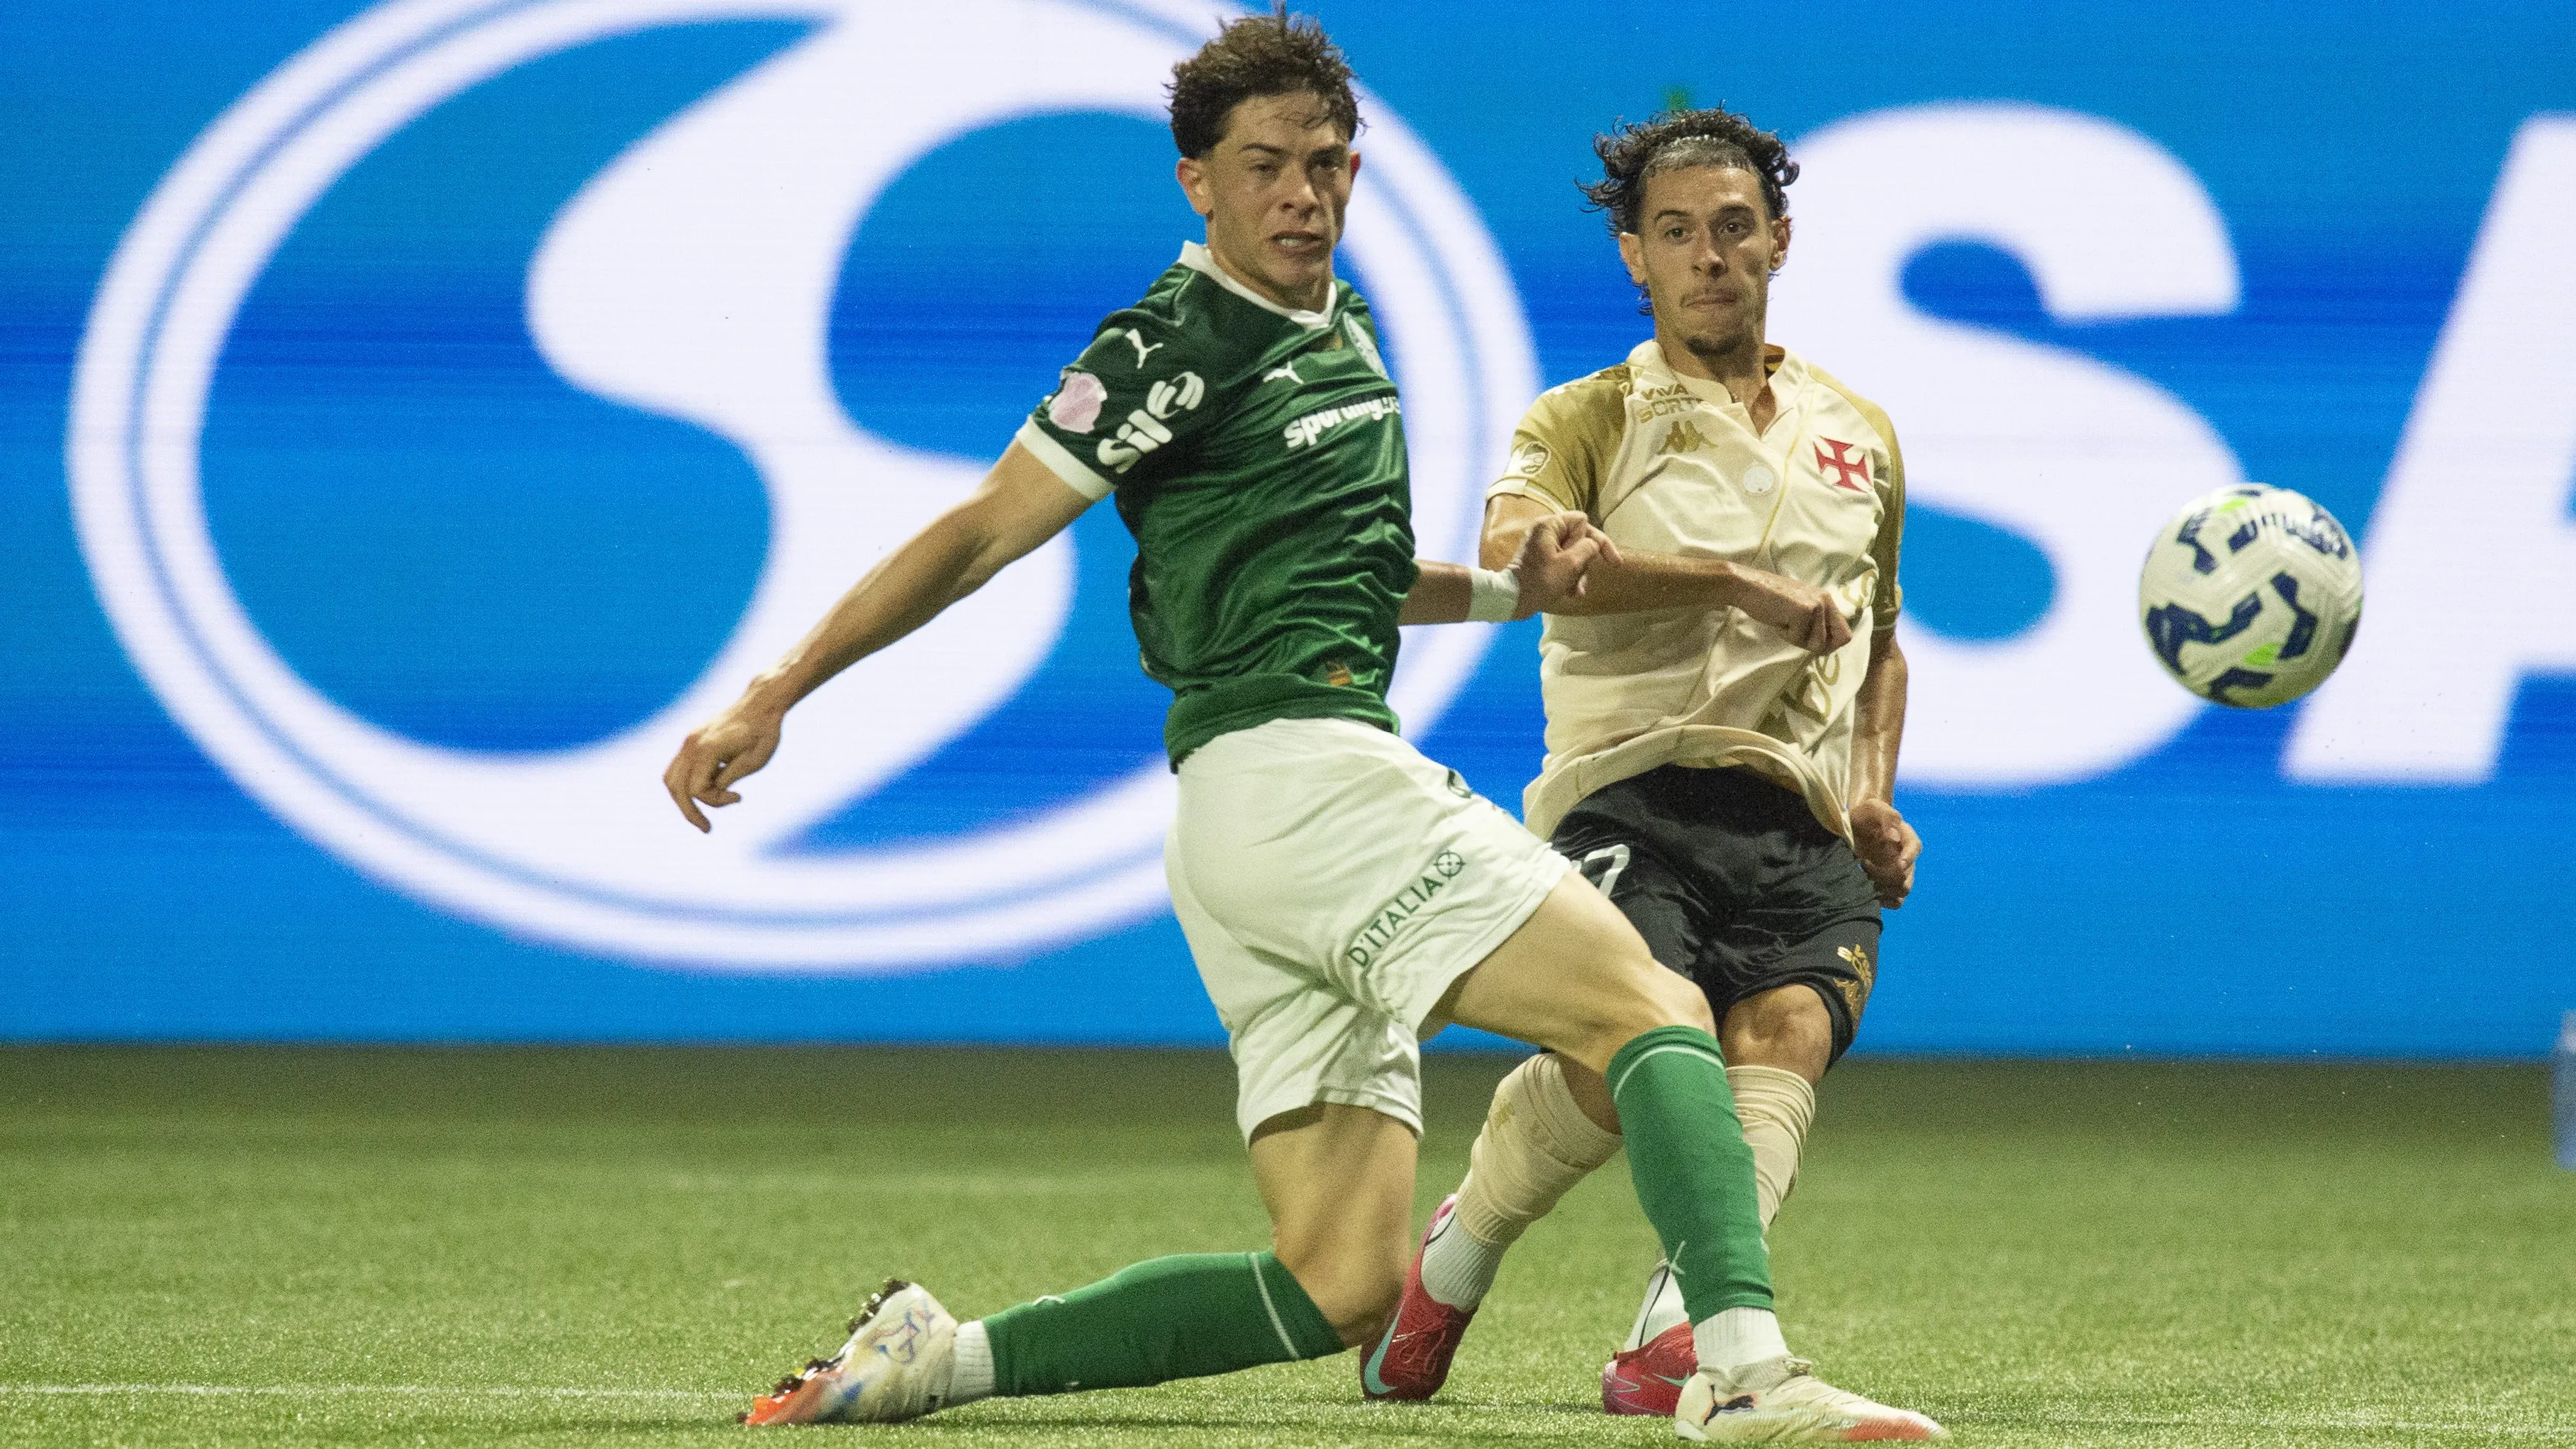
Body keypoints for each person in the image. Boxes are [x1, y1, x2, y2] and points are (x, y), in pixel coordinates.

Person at [661, 16, 1939, 1440]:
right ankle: (1741, 1374)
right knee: (1652, 1007)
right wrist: (773, 693)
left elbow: (1362, 582)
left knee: (1338, 1281)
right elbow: (977, 533)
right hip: (1298, 774)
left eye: (1326, 163)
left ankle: (936, 1356)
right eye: (1263, 166)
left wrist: (1519, 590)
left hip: (1242, 827)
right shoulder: (1174, 335)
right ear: (1195, 179)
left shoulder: (1343, 328)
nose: (1301, 194)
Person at [1359, 106, 1924, 1420]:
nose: (1709, 255)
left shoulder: (1863, 433)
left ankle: (1673, 1336)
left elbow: (1886, 640)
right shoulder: (1589, 416)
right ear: (1634, 257)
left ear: (1779, 238)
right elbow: (1518, 554)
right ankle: (1451, 1261)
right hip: (1631, 787)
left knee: (1784, 1029)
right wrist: (1736, 585)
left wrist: (1875, 786)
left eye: (1734, 227)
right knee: (1629, 1055)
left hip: (1798, 814)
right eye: (1676, 233)